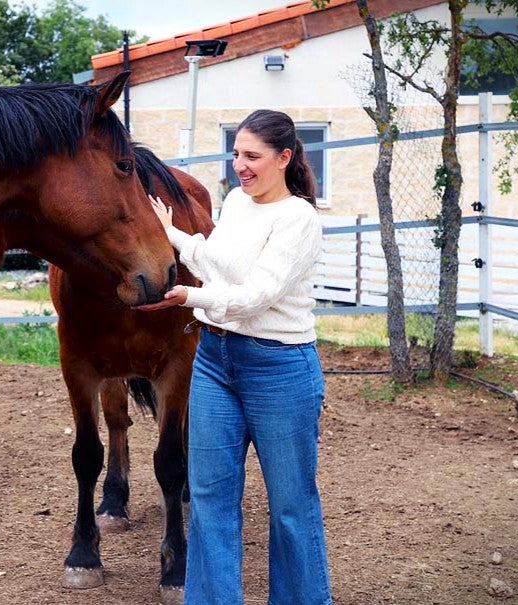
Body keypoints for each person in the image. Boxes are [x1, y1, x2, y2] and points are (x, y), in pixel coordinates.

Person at [136, 109, 331, 605]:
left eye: (251, 156)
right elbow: (217, 264)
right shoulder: (239, 204)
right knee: (209, 500)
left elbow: (256, 296)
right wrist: (174, 235)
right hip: (215, 362)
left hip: (279, 367)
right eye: (235, 153)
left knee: (290, 506)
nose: (238, 165)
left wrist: (186, 297)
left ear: (284, 158)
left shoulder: (299, 219)